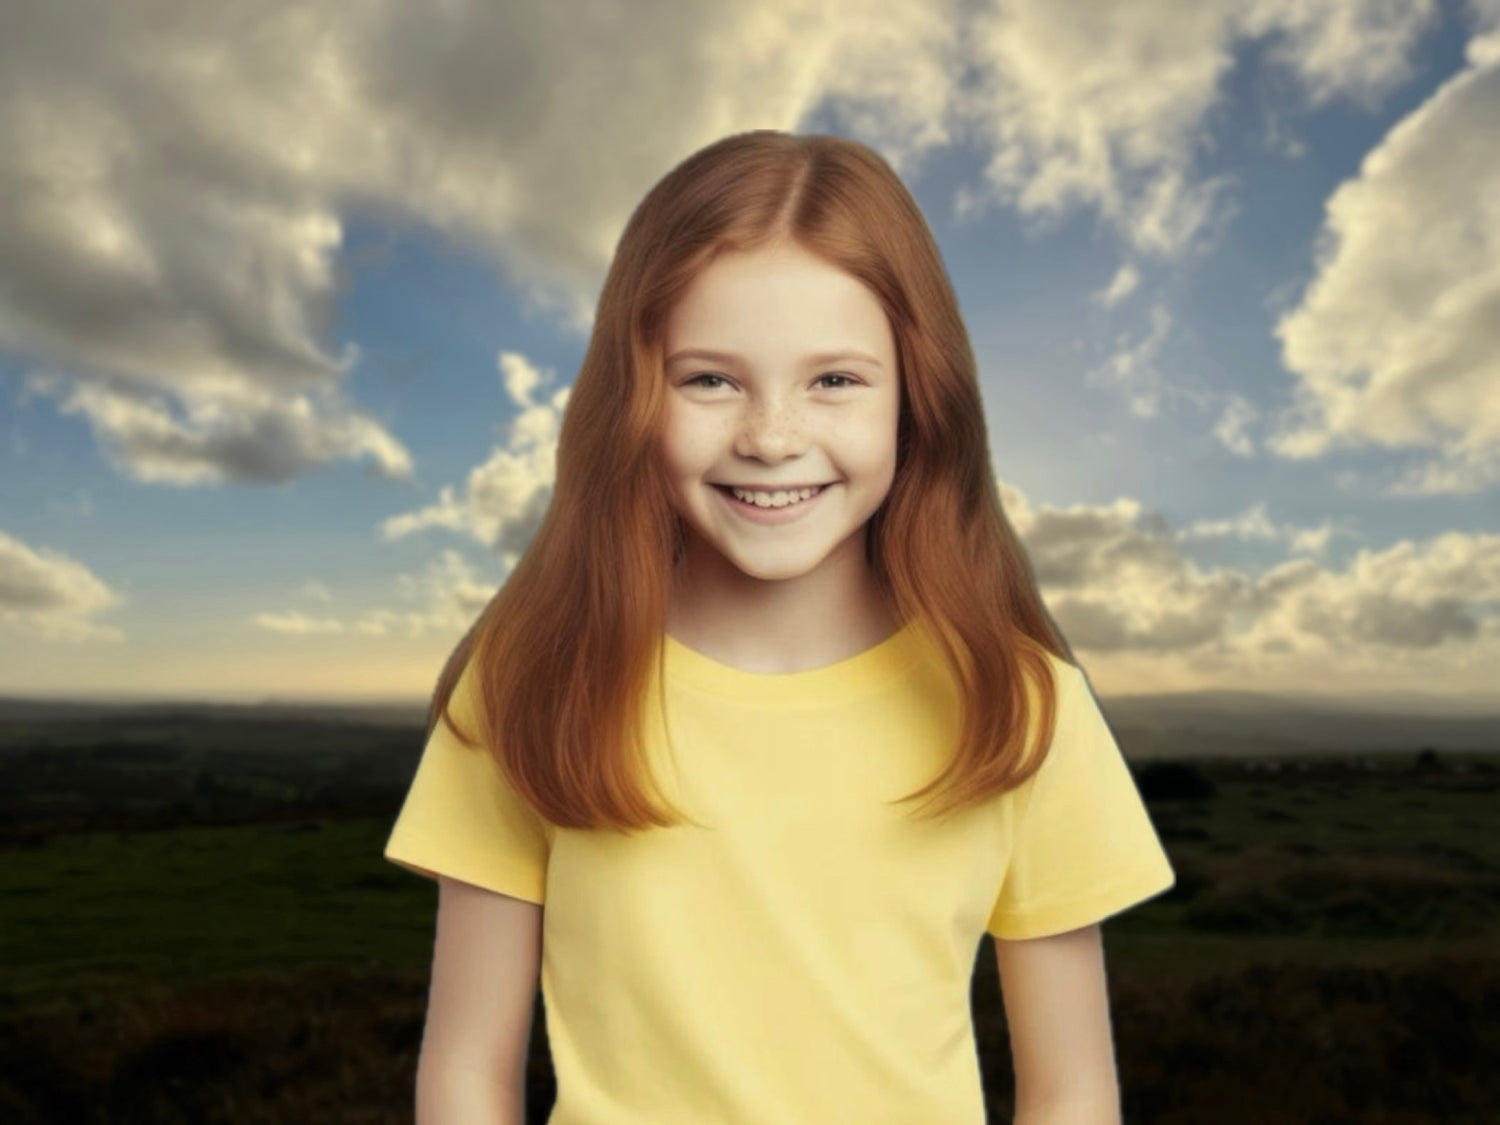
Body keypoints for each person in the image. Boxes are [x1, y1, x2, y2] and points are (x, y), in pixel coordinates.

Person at [383, 129, 1175, 1125]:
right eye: (710, 379)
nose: (769, 437)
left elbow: (1072, 1091)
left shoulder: (1019, 705)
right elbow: (465, 1074)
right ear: (634, 398)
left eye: (834, 380)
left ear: (915, 401)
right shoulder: (535, 677)